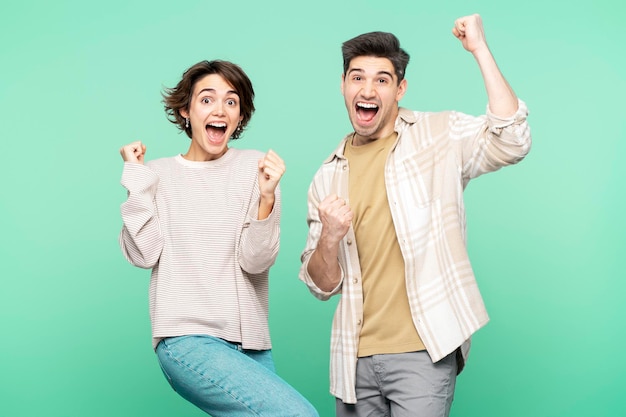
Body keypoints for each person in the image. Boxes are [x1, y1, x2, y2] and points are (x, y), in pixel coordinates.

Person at [298, 14, 531, 417]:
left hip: (424, 350)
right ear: (343, 85)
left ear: (400, 88)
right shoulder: (326, 176)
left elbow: (512, 139)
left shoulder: (439, 135)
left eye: (382, 79)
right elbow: (320, 286)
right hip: (352, 360)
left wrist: (479, 49)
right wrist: (329, 238)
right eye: (357, 77)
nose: (367, 89)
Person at [119, 60, 318, 417]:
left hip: (252, 343)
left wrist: (267, 197)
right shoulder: (157, 174)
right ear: (186, 111)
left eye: (231, 101)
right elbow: (143, 254)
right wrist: (136, 180)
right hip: (187, 337)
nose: (220, 110)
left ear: (240, 116)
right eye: (207, 99)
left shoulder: (257, 168)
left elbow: (255, 261)